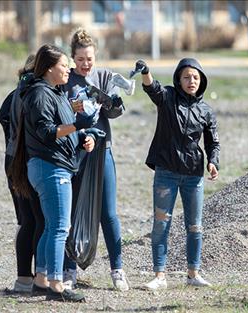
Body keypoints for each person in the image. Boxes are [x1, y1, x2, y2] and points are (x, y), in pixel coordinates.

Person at [9, 44, 97, 302]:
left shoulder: (55, 93)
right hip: (50, 167)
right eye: (63, 65)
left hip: (54, 165)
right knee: (60, 227)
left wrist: (82, 137)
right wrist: (76, 125)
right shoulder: (39, 94)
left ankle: (41, 279)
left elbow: (63, 130)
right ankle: (57, 285)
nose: (69, 69)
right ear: (49, 68)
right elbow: (47, 132)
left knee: (51, 226)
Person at [134, 58, 220, 290]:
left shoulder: (206, 111)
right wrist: (146, 71)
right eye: (186, 77)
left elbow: (214, 143)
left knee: (195, 226)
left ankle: (193, 273)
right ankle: (159, 276)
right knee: (161, 225)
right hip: (166, 173)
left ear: (201, 81)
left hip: (194, 175)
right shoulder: (168, 98)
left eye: (195, 77)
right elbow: (153, 89)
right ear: (178, 80)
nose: (191, 81)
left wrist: (213, 162)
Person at [61, 28, 129, 291]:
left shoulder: (103, 76)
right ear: (72, 58)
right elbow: (64, 117)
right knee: (73, 211)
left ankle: (118, 269)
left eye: (89, 59)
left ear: (95, 56)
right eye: (80, 60)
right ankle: (69, 270)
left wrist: (111, 101)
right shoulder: (67, 81)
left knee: (108, 213)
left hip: (103, 150)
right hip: (77, 152)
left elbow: (114, 113)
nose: (85, 64)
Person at [0, 54, 44, 293]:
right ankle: (38, 279)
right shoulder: (35, 92)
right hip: (27, 161)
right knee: (39, 221)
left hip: (13, 160)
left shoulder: (17, 91)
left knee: (27, 220)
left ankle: (24, 279)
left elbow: (3, 119)